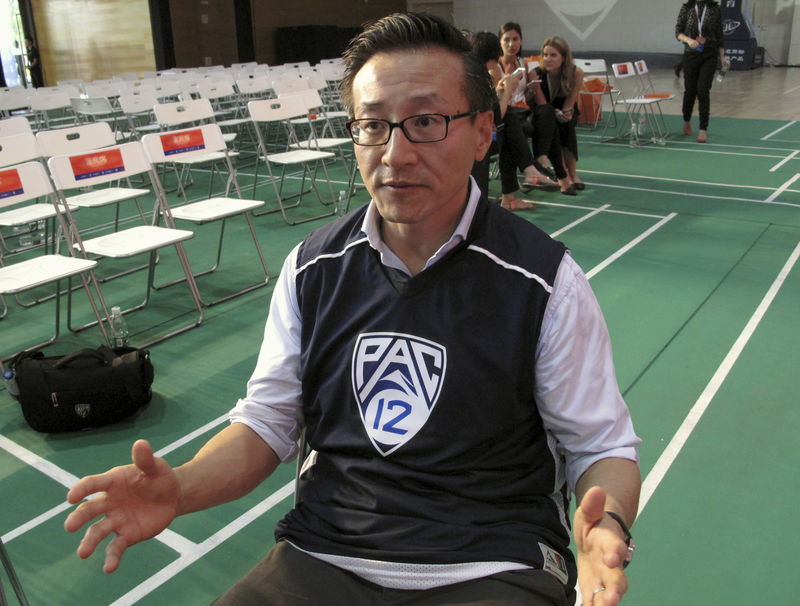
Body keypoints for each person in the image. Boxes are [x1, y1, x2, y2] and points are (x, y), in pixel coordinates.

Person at [65, 12, 641, 606]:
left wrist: (607, 525)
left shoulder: (545, 282)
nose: (395, 153)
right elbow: (266, 423)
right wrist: (179, 489)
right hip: (325, 554)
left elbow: (601, 448)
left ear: (482, 132)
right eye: (372, 125)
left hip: (491, 563)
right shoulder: (313, 269)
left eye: (425, 121)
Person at [498, 22, 573, 198]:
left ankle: (541, 158)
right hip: (507, 117)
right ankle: (560, 176)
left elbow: (540, 101)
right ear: (500, 42)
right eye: (506, 40)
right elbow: (497, 101)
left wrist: (533, 93)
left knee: (547, 111)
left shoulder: (525, 65)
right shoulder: (496, 68)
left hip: (523, 114)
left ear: (521, 41)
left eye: (515, 39)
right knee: (550, 128)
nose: (511, 44)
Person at [533, 36, 585, 192]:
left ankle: (572, 173)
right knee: (554, 126)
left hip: (564, 109)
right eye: (545, 55)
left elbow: (571, 101)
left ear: (563, 57)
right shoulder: (535, 74)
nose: (548, 59)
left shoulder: (576, 73)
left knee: (567, 124)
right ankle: (564, 174)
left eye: (553, 55)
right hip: (545, 112)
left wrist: (566, 113)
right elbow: (542, 104)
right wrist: (555, 114)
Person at [675, 0, 728, 143]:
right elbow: (678, 32)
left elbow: (720, 34)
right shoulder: (687, 8)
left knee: (703, 91)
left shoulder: (715, 8)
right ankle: (686, 120)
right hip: (690, 54)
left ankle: (703, 129)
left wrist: (723, 57)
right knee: (690, 91)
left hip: (709, 54)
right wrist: (688, 40)